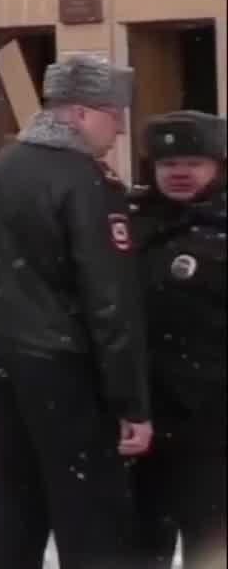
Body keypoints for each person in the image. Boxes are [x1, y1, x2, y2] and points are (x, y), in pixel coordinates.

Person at [0, 52, 151, 568]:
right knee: (90, 509)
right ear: (84, 113)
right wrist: (130, 402)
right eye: (115, 116)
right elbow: (108, 299)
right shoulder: (87, 182)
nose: (118, 132)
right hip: (66, 368)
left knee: (14, 495)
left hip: (0, 355)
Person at [131, 110, 227, 568]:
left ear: (219, 164)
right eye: (168, 163)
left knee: (209, 545)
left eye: (194, 161)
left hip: (213, 423)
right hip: (142, 416)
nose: (180, 173)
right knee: (141, 542)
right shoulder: (129, 222)